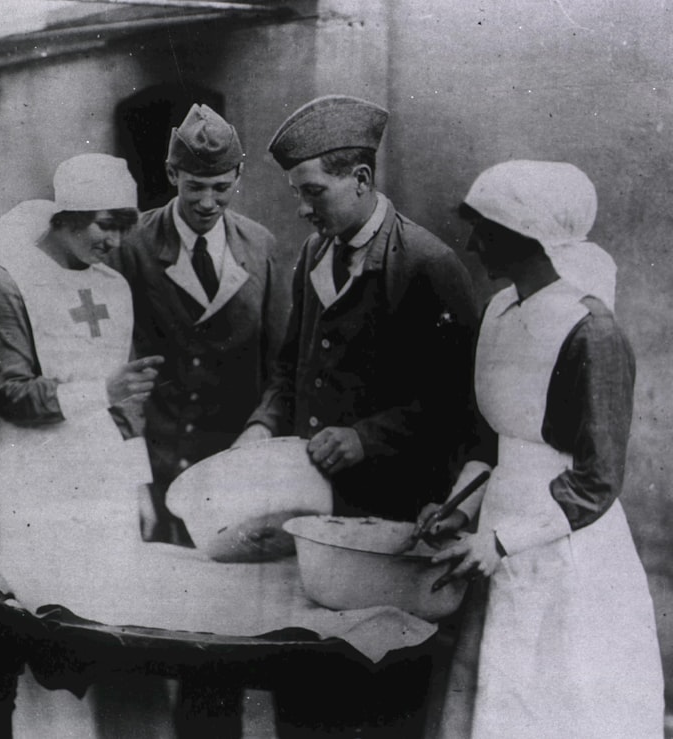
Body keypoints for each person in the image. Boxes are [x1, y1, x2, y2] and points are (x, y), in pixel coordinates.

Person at [237, 95, 479, 736]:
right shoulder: (314, 256)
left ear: (362, 179)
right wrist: (264, 423)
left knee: (381, 695)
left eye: (312, 191)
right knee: (305, 684)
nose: (301, 208)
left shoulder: (427, 266)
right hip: (317, 515)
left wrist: (368, 437)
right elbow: (289, 367)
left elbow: (460, 405)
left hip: (392, 521)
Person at [418, 160, 665, 738]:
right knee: (493, 692)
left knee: (556, 698)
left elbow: (598, 479)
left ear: (527, 237)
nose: (474, 244)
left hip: (566, 544)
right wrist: (459, 506)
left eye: (487, 229)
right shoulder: (500, 312)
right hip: (497, 530)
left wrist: (504, 542)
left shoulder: (591, 332)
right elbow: (490, 437)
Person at [0, 153, 169, 737]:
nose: (114, 239)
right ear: (67, 216)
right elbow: (12, 394)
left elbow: (128, 400)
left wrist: (139, 483)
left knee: (107, 625)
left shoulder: (115, 286)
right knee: (38, 620)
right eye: (104, 224)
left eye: (124, 226)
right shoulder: (7, 284)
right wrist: (101, 391)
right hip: (33, 474)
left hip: (103, 478)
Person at [108, 103, 289, 549]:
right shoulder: (133, 246)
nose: (208, 202)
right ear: (172, 175)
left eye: (221, 188)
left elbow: (280, 364)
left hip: (230, 467)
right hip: (152, 463)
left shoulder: (260, 246)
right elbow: (119, 363)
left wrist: (262, 427)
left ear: (239, 177)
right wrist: (130, 479)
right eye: (195, 187)